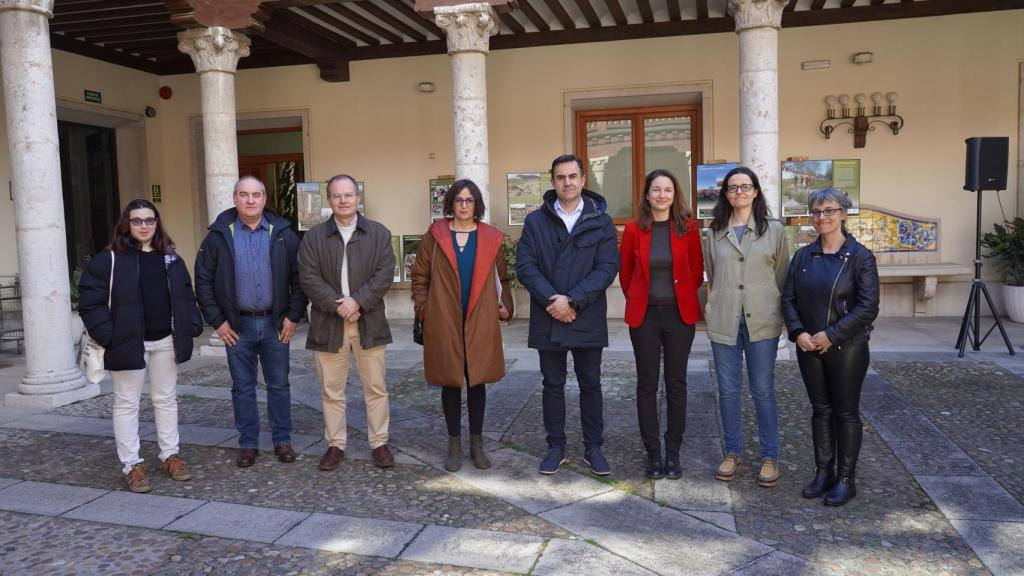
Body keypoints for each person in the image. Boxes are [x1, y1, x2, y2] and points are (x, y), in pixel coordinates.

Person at [78, 199, 204, 493]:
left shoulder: (170, 258)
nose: (144, 226)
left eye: (150, 220)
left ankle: (170, 455)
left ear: (157, 223)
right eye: (137, 221)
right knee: (126, 403)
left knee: (166, 399)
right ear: (126, 224)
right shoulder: (107, 260)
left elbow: (186, 295)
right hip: (127, 342)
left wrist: (191, 324)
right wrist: (110, 336)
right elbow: (90, 302)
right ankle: (132, 465)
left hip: (165, 342)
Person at [516, 154, 620, 476]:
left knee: (591, 384)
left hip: (584, 314)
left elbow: (607, 267)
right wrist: (554, 300)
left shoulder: (601, 220)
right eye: (561, 177)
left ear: (583, 179)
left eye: (573, 176)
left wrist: (572, 301)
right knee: (553, 384)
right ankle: (556, 446)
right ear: (553, 182)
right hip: (550, 313)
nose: (567, 182)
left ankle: (593, 446)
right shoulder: (536, 221)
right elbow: (525, 266)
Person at [194, 176, 307, 468]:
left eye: (256, 194)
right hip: (237, 326)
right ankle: (248, 443)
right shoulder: (219, 235)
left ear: (265, 198)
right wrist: (218, 322)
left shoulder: (282, 233)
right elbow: (203, 281)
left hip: (275, 324)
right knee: (242, 387)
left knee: (279, 385)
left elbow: (301, 278)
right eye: (244, 194)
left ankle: (282, 440)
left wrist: (293, 316)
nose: (250, 200)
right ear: (235, 198)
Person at [782, 188, 879, 506]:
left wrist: (831, 335)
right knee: (820, 410)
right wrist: (798, 332)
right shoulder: (803, 256)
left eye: (828, 210)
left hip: (846, 347)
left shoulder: (861, 257)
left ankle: (846, 479)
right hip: (808, 346)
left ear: (842, 214)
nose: (821, 217)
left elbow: (867, 307)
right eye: (816, 212)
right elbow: (789, 298)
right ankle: (824, 472)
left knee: (846, 412)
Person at [410, 179, 514, 472]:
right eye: (459, 200)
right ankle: (453, 443)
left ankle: (476, 444)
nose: (464, 205)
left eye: (469, 200)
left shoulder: (490, 238)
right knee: (450, 381)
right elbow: (420, 278)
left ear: (477, 204)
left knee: (477, 380)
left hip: (480, 319)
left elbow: (502, 279)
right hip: (444, 320)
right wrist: (425, 312)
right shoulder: (435, 235)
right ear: (450, 203)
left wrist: (506, 305)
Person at [298, 174, 397, 470]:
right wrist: (338, 305)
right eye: (337, 195)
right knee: (331, 390)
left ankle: (379, 442)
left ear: (358, 198)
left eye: (349, 195)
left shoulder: (378, 233)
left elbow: (384, 273)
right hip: (329, 323)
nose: (344, 200)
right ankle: (335, 444)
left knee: (376, 388)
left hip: (369, 321)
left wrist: (358, 302)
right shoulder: (314, 237)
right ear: (329, 200)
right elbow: (308, 277)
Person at [703, 166, 788, 487]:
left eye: (745, 187)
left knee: (763, 390)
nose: (739, 192)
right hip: (725, 320)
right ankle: (733, 451)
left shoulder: (774, 231)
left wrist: (779, 313)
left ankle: (769, 456)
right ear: (725, 194)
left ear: (755, 192)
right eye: (732, 188)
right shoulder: (714, 233)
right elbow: (713, 274)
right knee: (727, 391)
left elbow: (782, 276)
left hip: (762, 321)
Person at [619, 169, 703, 480]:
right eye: (656, 190)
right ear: (647, 195)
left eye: (667, 190)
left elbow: (696, 270)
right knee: (646, 384)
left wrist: (677, 296)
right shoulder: (633, 229)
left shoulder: (688, 228)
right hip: (645, 316)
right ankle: (653, 451)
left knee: (676, 383)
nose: (662, 195)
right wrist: (642, 297)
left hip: (679, 316)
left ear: (674, 194)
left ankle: (673, 450)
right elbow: (626, 274)